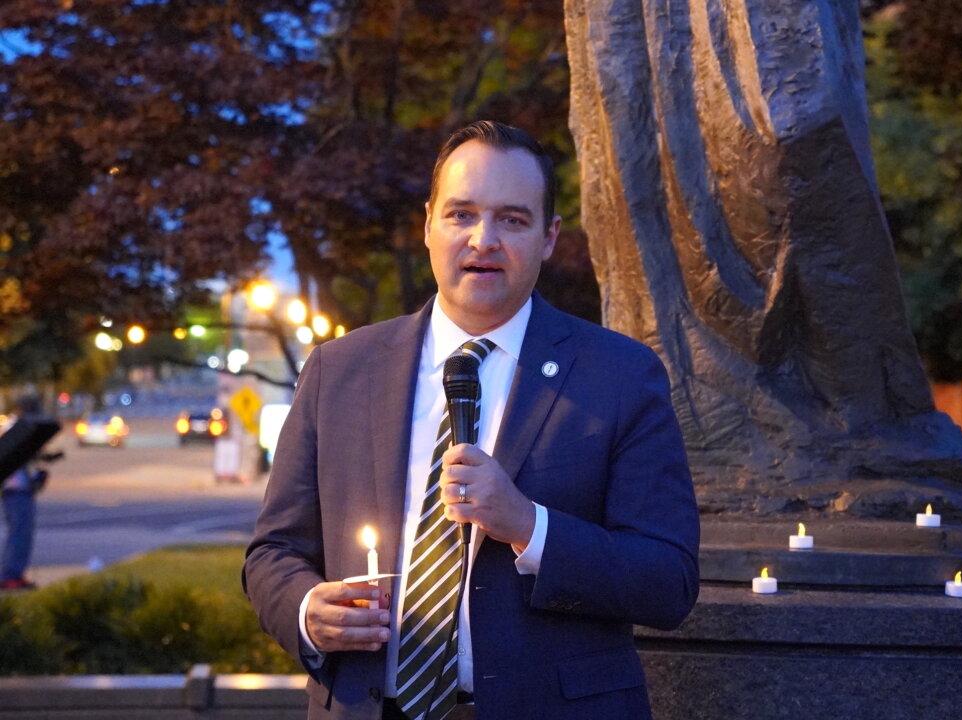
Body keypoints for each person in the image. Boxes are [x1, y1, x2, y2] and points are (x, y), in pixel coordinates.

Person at [243, 120, 700, 720]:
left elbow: (668, 582)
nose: (483, 240)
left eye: (512, 219)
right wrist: (307, 611)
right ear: (428, 223)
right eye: (461, 214)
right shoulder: (339, 371)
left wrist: (526, 525)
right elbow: (272, 552)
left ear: (548, 237)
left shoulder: (620, 377)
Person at [1, 395, 51, 591]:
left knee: (23, 533)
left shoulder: (19, 427)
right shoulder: (17, 429)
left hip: (21, 488)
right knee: (19, 533)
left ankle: (15, 573)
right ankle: (10, 575)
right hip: (15, 489)